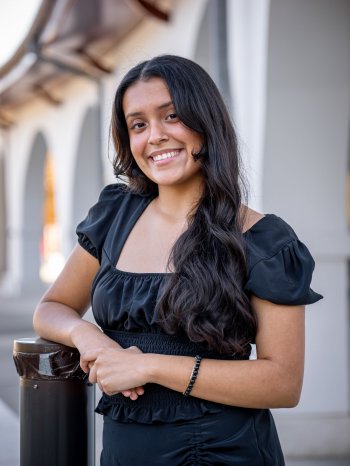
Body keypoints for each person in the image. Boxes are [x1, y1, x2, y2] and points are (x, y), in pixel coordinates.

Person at [33, 55, 322, 465]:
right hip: (122, 452)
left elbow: (283, 382)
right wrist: (90, 338)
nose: (155, 136)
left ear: (205, 122)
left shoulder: (264, 240)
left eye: (171, 116)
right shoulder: (114, 216)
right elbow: (51, 308)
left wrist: (148, 366)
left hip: (219, 453)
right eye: (138, 124)